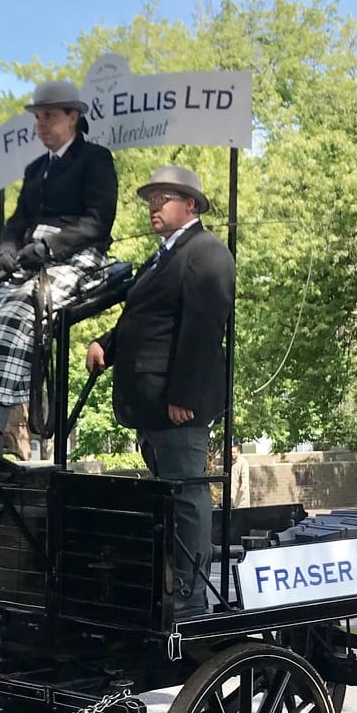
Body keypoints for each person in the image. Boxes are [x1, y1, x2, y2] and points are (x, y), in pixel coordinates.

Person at [85, 165, 234, 617]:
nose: (153, 206)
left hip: (177, 406)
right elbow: (145, 319)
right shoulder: (163, 257)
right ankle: (173, 583)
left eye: (163, 198)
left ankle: (192, 593)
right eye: (150, 199)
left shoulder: (206, 252)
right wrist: (105, 344)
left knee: (187, 495)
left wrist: (184, 396)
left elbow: (202, 330)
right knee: (169, 494)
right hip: (150, 405)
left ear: (190, 205)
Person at [0, 79, 118, 451]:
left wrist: (49, 246)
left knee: (21, 312)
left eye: (50, 116)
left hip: (79, 254)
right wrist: (5, 251)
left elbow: (98, 221)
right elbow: (17, 221)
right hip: (33, 258)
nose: (42, 125)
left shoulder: (95, 159)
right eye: (38, 118)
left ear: (73, 117)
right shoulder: (36, 167)